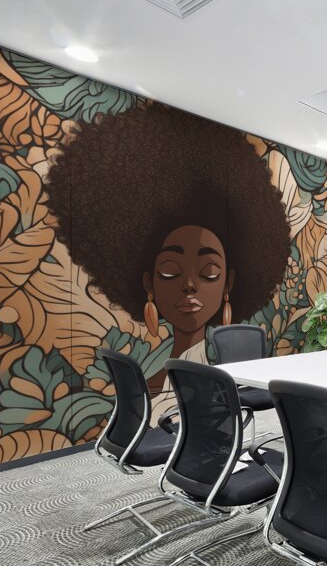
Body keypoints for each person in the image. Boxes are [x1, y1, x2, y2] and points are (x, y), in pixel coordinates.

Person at [45, 103, 291, 420]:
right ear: (149, 282)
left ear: (228, 282)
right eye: (171, 270)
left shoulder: (194, 383)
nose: (189, 285)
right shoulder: (155, 390)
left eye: (209, 272)